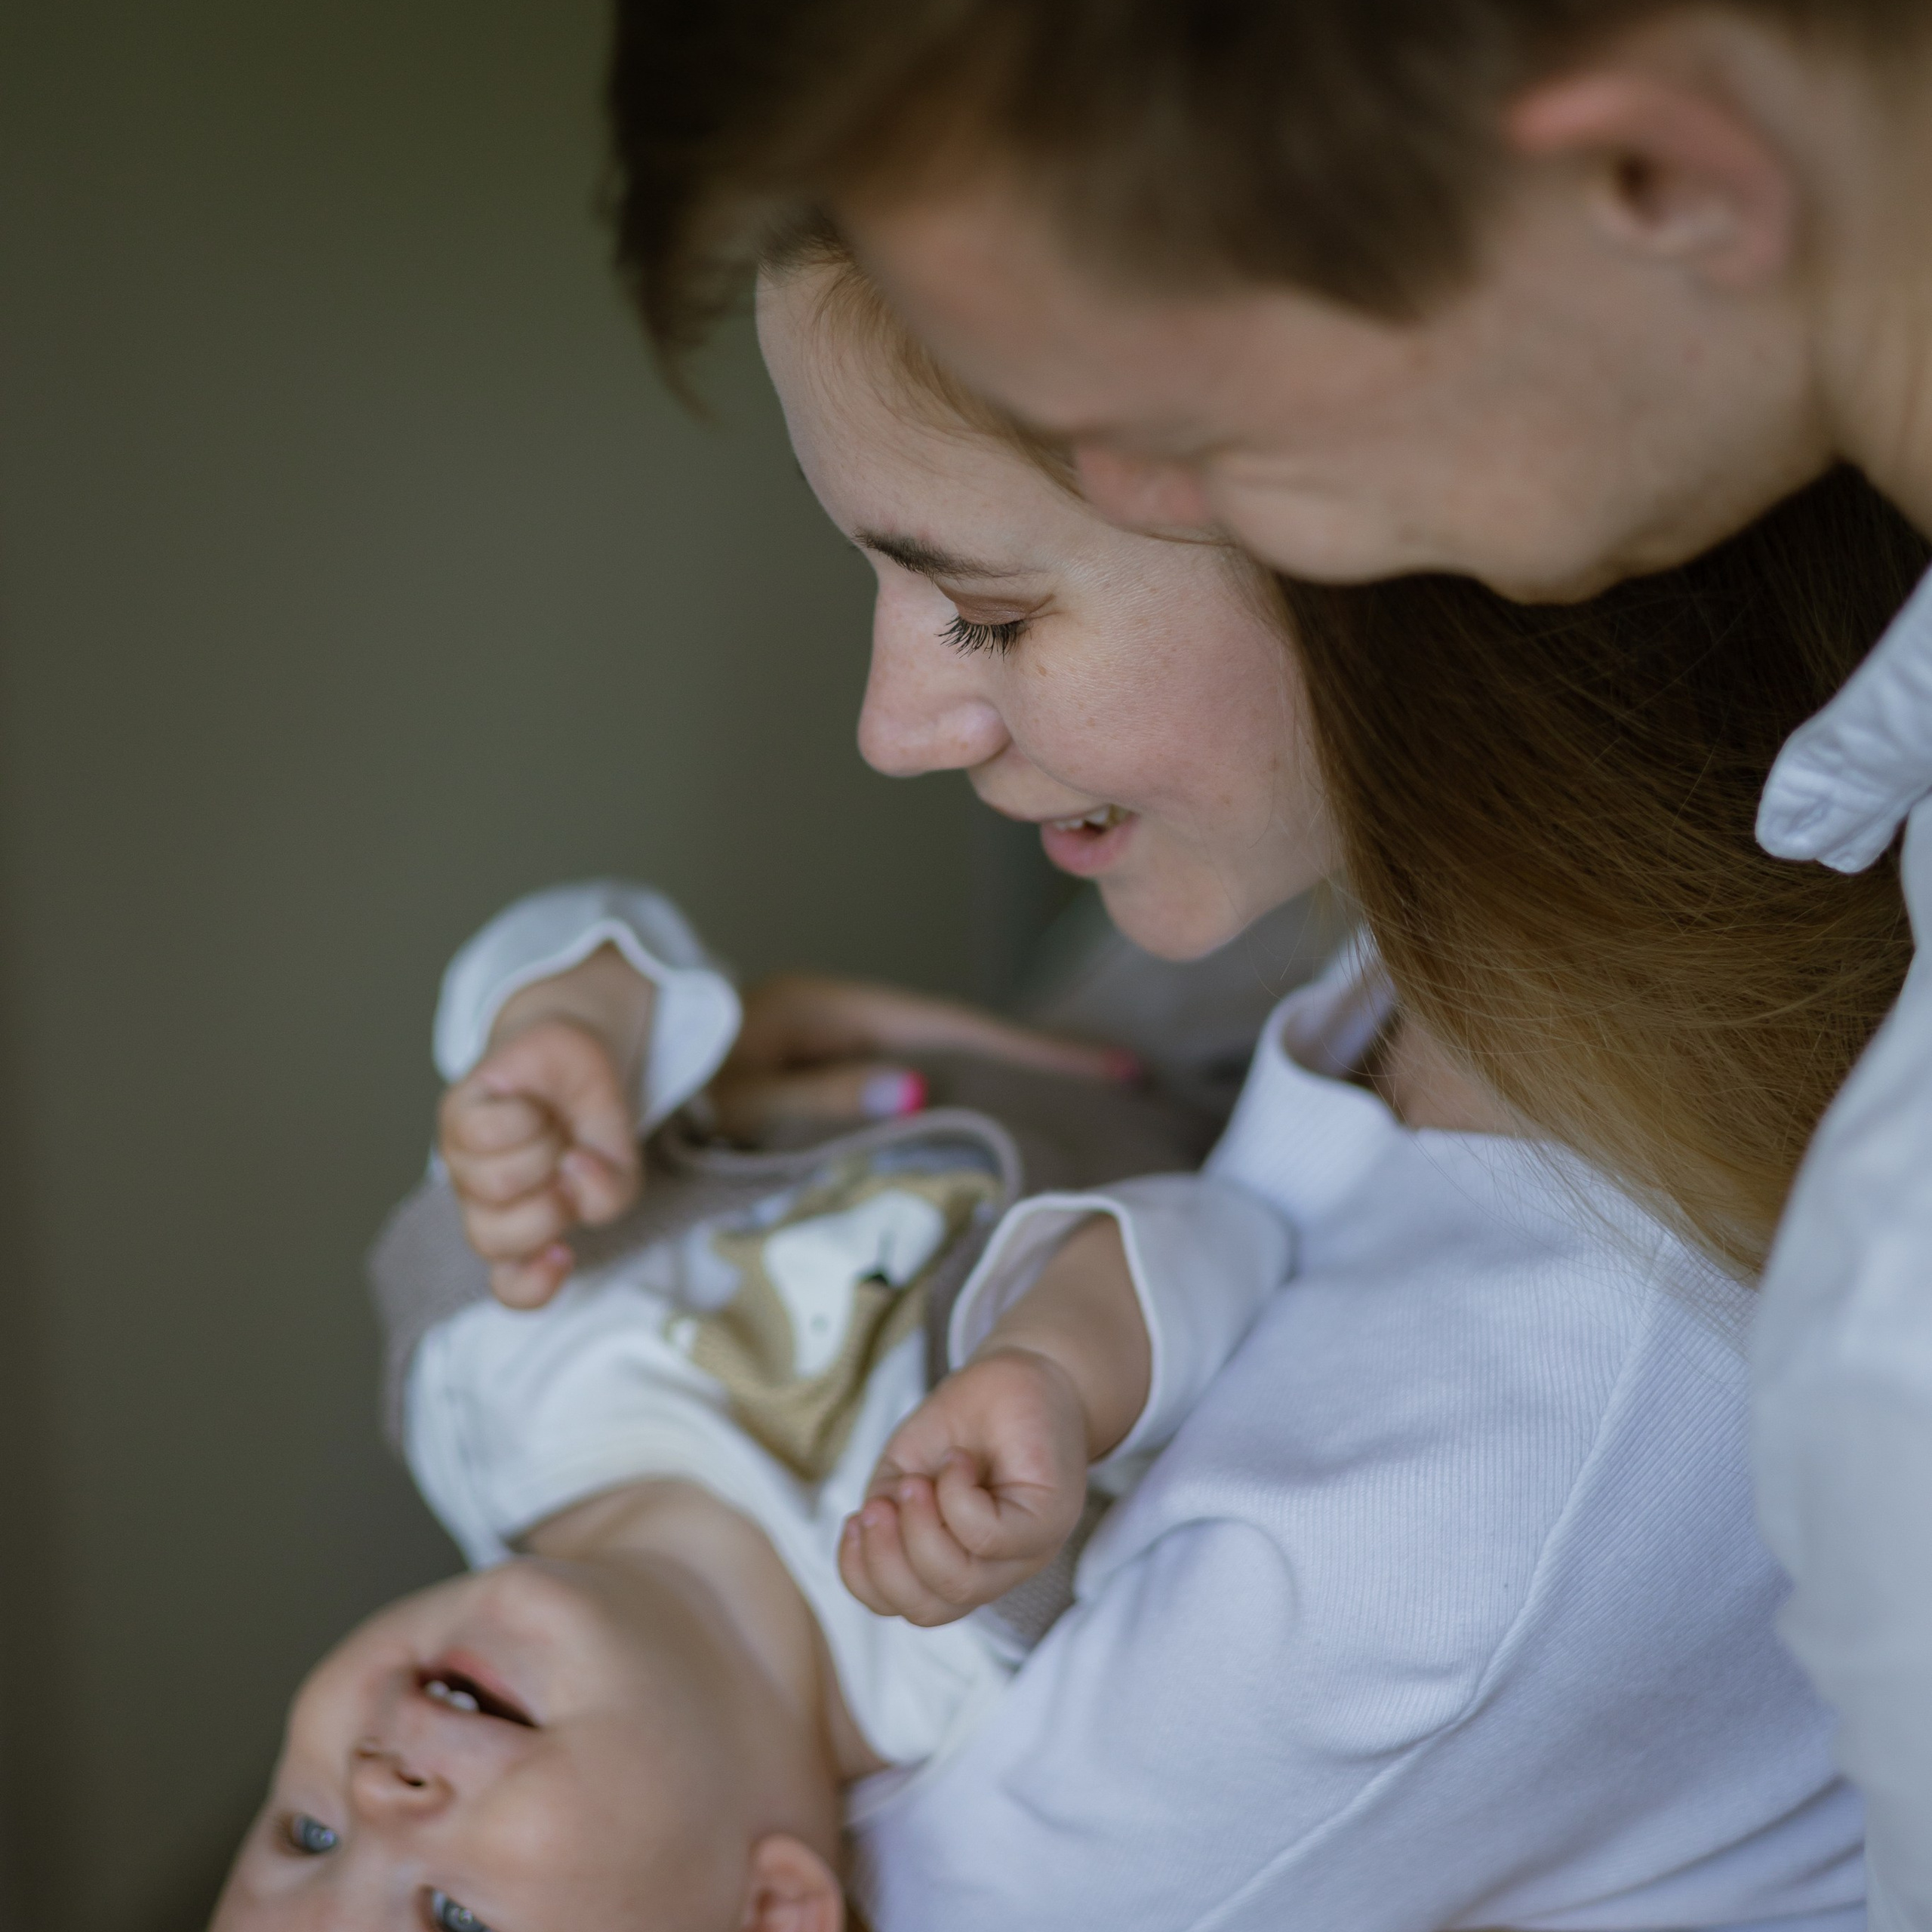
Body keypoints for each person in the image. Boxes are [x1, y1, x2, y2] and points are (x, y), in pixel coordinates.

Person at [232, 237, 1923, 1927]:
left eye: (986, 607)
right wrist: (1051, 1335)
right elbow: (1203, 1238)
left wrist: (590, 1026)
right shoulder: (1085, 1690)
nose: (891, 726)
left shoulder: (492, 1383)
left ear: (1373, 532)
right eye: (442, 1916)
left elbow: (548, 999)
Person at [604, 8, 1932, 1921]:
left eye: (1183, 430)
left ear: (1642, 181)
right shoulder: (1514, 973)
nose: (1152, 489)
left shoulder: (1485, 1506)